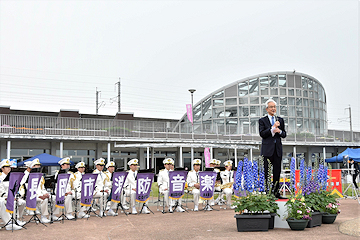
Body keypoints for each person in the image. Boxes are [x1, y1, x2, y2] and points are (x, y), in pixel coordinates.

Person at [259, 99, 287, 198]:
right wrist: (272, 128)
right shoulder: (262, 120)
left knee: (277, 171)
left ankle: (276, 192)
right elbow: (262, 134)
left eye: (274, 107)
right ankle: (268, 192)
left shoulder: (280, 120)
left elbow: (284, 134)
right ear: (267, 109)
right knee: (267, 171)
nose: (273, 109)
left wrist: (279, 131)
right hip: (267, 150)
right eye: (271, 107)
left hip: (277, 150)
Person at [0, 159, 26, 225]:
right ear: (2, 168)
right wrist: (8, 197)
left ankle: (17, 218)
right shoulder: (1, 177)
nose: (9, 168)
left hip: (11, 196)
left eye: (9, 167)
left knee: (22, 202)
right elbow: (1, 190)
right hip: (3, 197)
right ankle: (10, 222)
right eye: (7, 167)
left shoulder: (11, 176)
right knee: (13, 203)